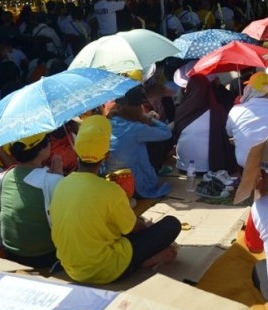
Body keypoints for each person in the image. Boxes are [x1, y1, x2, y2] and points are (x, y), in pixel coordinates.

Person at [49, 116, 181, 284]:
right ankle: (143, 262)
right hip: (107, 269)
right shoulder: (110, 190)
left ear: (77, 153)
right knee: (171, 224)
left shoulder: (61, 184)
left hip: (72, 269)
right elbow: (133, 228)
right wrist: (148, 226)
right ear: (107, 156)